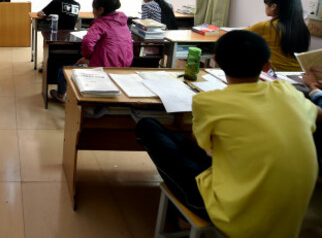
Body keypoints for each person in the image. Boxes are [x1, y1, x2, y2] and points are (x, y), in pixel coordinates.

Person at [136, 30, 321, 238]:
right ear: (267, 66)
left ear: (215, 61)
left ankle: (180, 217)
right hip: (294, 214)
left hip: (236, 218)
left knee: (148, 128)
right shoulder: (289, 93)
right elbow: (317, 113)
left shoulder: (207, 101)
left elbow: (205, 148)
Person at [51, 0, 133, 102]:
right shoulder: (122, 22)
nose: (92, 11)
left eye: (93, 8)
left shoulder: (101, 23)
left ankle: (61, 96)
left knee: (63, 71)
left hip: (104, 67)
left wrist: (88, 57)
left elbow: (87, 41)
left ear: (101, 10)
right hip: (123, 67)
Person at [246, 0, 310, 71]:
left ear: (273, 6)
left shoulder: (266, 26)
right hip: (298, 73)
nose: (265, 7)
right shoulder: (303, 28)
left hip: (276, 73)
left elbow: (234, 36)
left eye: (266, 4)